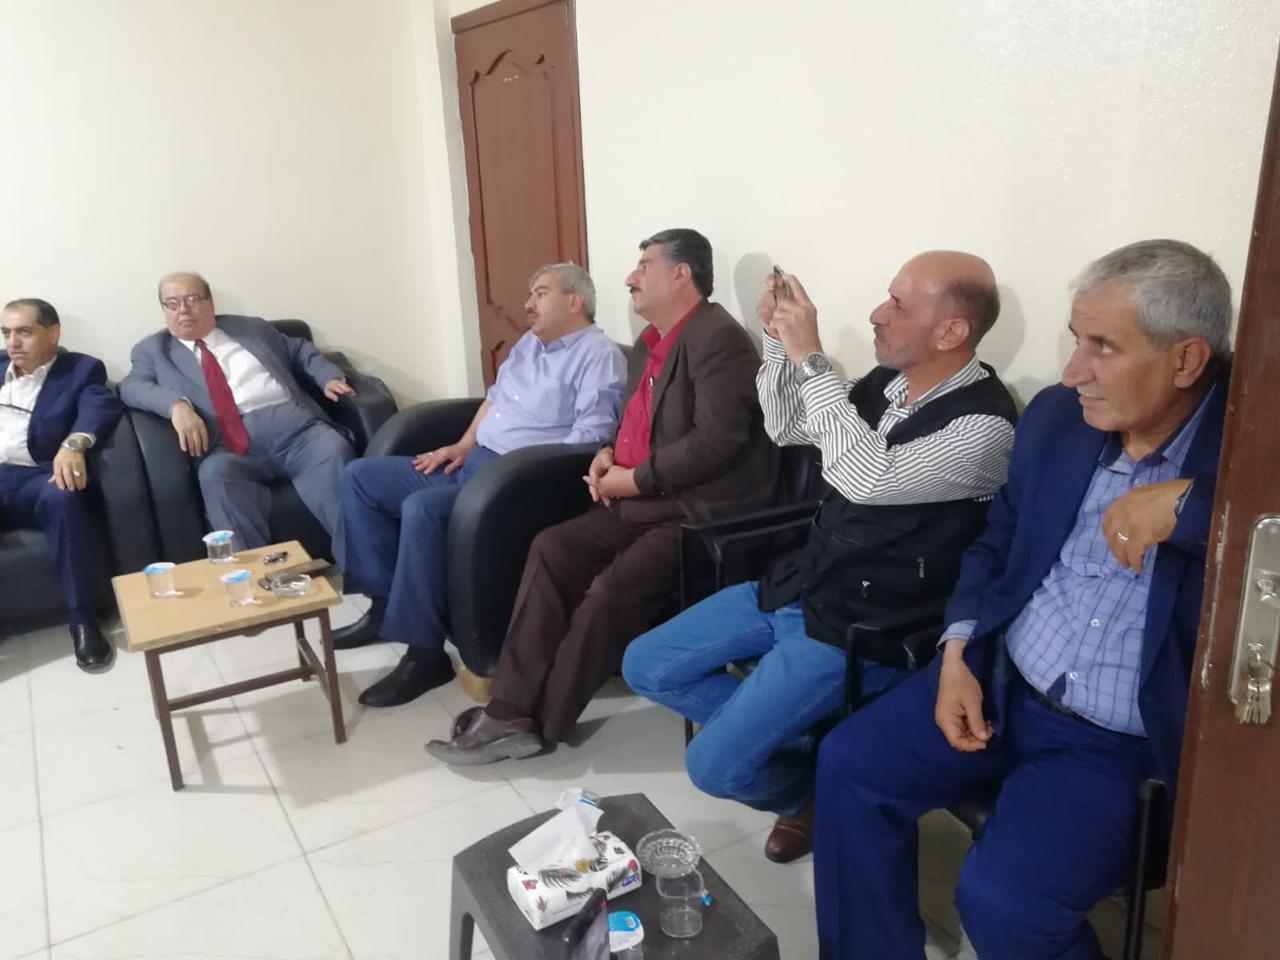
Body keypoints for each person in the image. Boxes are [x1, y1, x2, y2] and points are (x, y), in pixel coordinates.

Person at [813, 239, 1232, 960]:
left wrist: (1194, 508)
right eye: (1076, 340)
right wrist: (957, 652)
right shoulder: (1057, 419)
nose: (1072, 372)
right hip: (1001, 680)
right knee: (849, 763)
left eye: (1102, 347)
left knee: (1003, 904)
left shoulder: (1248, 445)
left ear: (1187, 360)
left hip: (1113, 745)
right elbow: (996, 542)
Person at [623, 251, 1018, 863]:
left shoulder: (984, 428)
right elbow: (787, 428)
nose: (877, 314)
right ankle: (814, 777)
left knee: (712, 766)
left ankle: (803, 789)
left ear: (951, 332)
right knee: (647, 664)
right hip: (804, 581)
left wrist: (812, 359)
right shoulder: (887, 385)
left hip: (862, 624)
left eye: (898, 305)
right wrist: (779, 342)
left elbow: (867, 478)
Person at [427, 227, 778, 763]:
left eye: (644, 266)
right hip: (644, 499)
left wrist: (634, 480)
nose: (630, 278)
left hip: (696, 513)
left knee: (610, 590)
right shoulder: (649, 344)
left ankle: (543, 720)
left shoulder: (718, 339)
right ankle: (509, 710)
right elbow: (631, 423)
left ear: (680, 274)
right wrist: (607, 453)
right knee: (551, 548)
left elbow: (716, 441)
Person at [339, 262, 628, 706]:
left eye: (540, 293)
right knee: (360, 478)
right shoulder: (530, 343)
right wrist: (461, 444)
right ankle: (382, 608)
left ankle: (424, 655)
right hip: (475, 463)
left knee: (423, 509)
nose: (528, 304)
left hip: (512, 486)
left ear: (575, 301)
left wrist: (515, 470)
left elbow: (591, 437)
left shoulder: (598, 356)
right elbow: (494, 399)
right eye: (530, 294)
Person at [119, 272, 355, 547]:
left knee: (334, 451)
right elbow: (132, 387)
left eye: (192, 299)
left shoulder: (250, 328)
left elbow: (299, 350)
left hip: (299, 434)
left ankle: (363, 567)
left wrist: (327, 377)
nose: (182, 309)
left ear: (210, 302)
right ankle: (253, 571)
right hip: (228, 448)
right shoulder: (153, 351)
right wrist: (175, 405)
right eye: (172, 303)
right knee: (215, 476)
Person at [1, 298, 122, 670]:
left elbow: (99, 405)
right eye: (6, 333)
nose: (12, 342)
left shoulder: (80, 369)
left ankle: (83, 621)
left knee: (64, 496)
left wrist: (74, 444)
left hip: (39, 478)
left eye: (24, 331)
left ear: (53, 333)